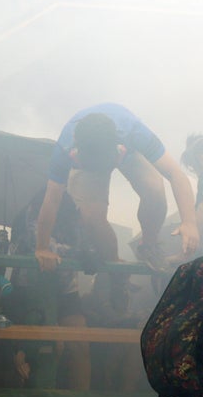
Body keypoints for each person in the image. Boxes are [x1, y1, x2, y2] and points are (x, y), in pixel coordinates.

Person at [35, 103, 199, 309]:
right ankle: (116, 270)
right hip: (88, 159)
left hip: (121, 150)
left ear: (117, 148)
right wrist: (42, 247)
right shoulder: (65, 148)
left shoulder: (132, 131)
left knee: (155, 189)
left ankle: (148, 245)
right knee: (91, 218)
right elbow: (52, 200)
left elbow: (175, 174)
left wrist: (189, 222)